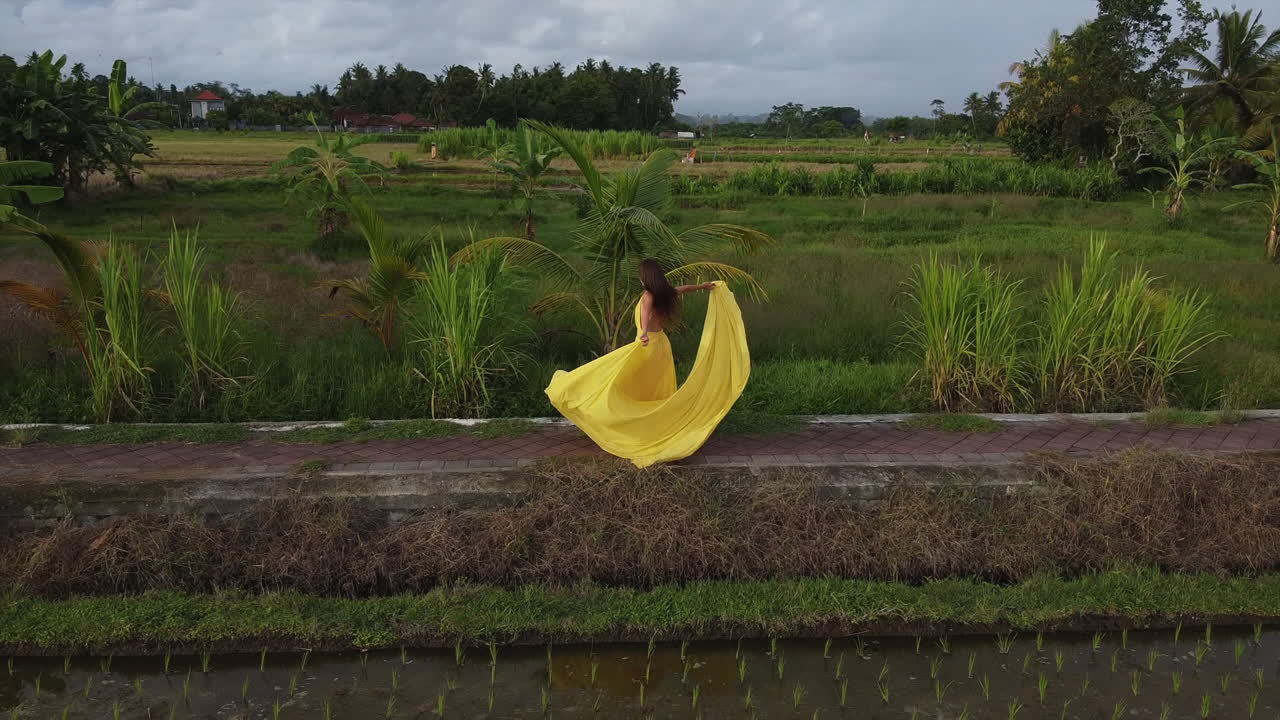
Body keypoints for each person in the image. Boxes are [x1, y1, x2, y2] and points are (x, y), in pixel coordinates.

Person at [544, 258, 751, 467]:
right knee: (650, 389)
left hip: (646, 346)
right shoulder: (665, 293)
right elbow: (684, 288)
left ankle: (629, 427)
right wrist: (703, 286)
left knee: (613, 381)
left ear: (645, 278)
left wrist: (642, 332)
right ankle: (652, 426)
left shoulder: (648, 296)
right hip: (661, 346)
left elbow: (644, 314)